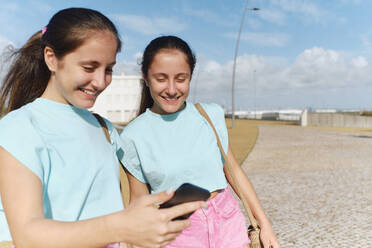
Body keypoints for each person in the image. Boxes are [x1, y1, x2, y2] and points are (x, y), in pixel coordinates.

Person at [0, 9, 205, 248]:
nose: (100, 82)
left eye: (108, 69)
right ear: (51, 58)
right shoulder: (18, 128)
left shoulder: (104, 129)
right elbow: (28, 236)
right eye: (89, 67)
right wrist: (121, 226)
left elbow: (110, 209)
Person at [120, 35, 280, 248]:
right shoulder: (133, 136)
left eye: (180, 78)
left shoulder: (210, 115)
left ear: (190, 77)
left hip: (229, 226)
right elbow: (140, 205)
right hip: (177, 236)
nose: (171, 89)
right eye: (160, 78)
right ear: (146, 77)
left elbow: (234, 173)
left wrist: (264, 223)